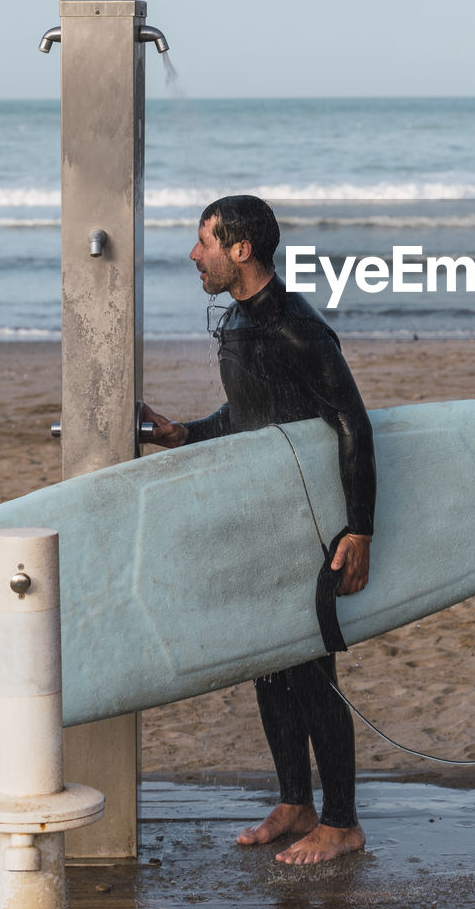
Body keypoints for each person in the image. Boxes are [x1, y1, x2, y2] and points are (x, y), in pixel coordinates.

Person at [143, 194, 376, 865]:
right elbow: (249, 412)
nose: (194, 255)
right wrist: (182, 433)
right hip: (265, 516)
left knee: (310, 672)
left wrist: (358, 529)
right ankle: (295, 801)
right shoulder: (244, 321)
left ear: (240, 249)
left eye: (204, 242)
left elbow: (352, 424)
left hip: (307, 524)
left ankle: (341, 822)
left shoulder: (296, 326)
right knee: (269, 667)